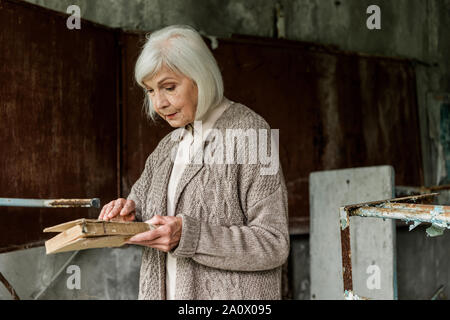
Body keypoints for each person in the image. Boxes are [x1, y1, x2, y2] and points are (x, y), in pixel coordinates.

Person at [98, 25, 289, 300]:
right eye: (150, 91)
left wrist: (189, 236)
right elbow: (139, 214)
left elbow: (274, 243)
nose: (159, 103)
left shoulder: (252, 134)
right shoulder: (167, 148)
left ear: (202, 77)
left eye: (169, 87)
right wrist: (124, 216)